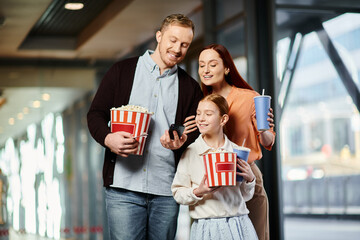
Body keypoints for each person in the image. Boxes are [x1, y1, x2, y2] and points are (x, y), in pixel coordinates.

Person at [87, 14, 203, 240]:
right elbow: (95, 115)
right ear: (159, 36)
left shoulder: (190, 88)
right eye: (172, 40)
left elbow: (193, 132)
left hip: (167, 190)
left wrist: (181, 141)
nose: (177, 49)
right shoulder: (122, 71)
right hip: (123, 188)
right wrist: (108, 138)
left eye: (184, 45)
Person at [196, 44, 275, 240]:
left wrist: (263, 128)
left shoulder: (249, 98)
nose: (206, 70)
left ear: (227, 68)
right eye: (201, 65)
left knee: (256, 236)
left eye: (212, 64)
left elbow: (268, 141)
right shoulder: (201, 102)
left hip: (244, 172)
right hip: (211, 179)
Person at [172, 93, 258, 240]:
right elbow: (178, 193)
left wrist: (250, 179)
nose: (201, 119)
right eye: (198, 113)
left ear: (223, 119)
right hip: (206, 227)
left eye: (208, 114)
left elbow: (244, 196)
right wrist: (199, 191)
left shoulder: (236, 152)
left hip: (238, 224)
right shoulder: (191, 152)